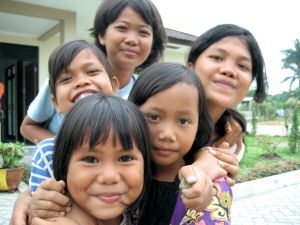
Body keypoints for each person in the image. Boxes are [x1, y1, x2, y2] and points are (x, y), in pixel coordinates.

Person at [20, 0, 167, 144]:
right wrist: (62, 150)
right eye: (122, 28)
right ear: (102, 35)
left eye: (143, 32)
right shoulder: (66, 80)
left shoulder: (146, 91)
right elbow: (28, 127)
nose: (132, 40)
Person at [170, 23, 268, 224]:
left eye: (243, 66)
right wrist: (202, 165)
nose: (229, 70)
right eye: (216, 57)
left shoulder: (230, 139)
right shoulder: (151, 116)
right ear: (191, 66)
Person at [128, 62, 232, 225]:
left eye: (183, 121)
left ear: (198, 126)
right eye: (153, 117)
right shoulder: (118, 174)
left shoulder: (210, 183)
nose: (168, 135)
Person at [32, 93, 153, 225]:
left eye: (125, 158)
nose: (109, 177)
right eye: (90, 160)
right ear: (64, 166)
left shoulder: (149, 214)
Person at [29, 39, 119, 193]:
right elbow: (38, 207)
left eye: (92, 71)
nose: (82, 81)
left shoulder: (134, 140)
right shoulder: (48, 153)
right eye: (66, 79)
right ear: (55, 102)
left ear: (114, 86)